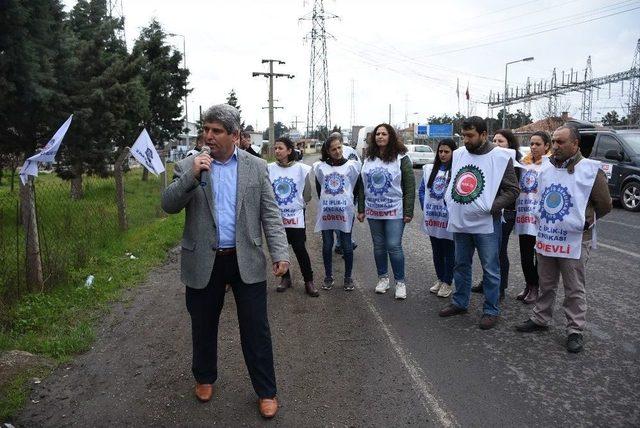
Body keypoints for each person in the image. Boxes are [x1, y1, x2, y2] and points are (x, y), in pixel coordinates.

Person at [161, 104, 290, 419]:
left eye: (216, 131)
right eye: (206, 129)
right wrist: (191, 176)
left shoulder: (256, 167)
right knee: (203, 325)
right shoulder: (189, 165)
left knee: (256, 329)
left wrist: (280, 252)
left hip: (245, 257)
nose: (209, 136)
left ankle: (266, 391)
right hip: (205, 259)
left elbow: (270, 213)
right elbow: (169, 204)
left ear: (234, 135)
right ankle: (205, 377)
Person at [516, 125, 612, 353]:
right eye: (554, 141)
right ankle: (540, 318)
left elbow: (605, 204)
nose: (555, 146)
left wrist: (587, 220)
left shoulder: (590, 171)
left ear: (575, 144)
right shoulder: (546, 168)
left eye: (560, 142)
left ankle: (575, 330)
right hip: (548, 236)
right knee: (546, 281)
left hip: (575, 240)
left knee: (574, 287)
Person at [438, 116, 519, 330]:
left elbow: (513, 190)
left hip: (486, 223)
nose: (465, 140)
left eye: (470, 135)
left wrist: (491, 206)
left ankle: (491, 310)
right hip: (461, 221)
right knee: (461, 263)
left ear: (484, 135)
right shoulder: (458, 155)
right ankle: (459, 302)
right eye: (463, 135)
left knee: (490, 268)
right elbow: (453, 180)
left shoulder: (501, 157)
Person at [357, 123, 415, 300]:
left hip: (394, 211)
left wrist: (409, 211)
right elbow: (362, 185)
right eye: (377, 134)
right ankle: (383, 279)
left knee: (393, 246)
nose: (380, 136)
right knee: (379, 247)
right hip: (374, 211)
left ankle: (400, 282)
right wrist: (361, 209)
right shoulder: (368, 159)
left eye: (384, 134)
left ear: (391, 136)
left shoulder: (401, 158)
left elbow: (410, 186)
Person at [471, 129, 522, 300]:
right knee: (487, 253)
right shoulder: (489, 160)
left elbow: (512, 190)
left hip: (505, 212)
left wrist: (493, 205)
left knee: (499, 250)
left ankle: (499, 286)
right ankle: (487, 282)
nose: (497, 144)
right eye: (495, 141)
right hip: (489, 212)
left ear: (510, 145)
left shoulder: (513, 164)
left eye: (501, 142)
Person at [267, 136, 318, 297]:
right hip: (276, 217)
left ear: (289, 150)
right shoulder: (269, 168)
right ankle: (285, 278)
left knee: (299, 248)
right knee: (279, 249)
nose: (277, 151)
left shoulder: (301, 169)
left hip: (295, 216)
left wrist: (298, 205)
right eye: (275, 148)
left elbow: (307, 193)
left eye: (280, 148)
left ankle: (308, 280)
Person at [313, 134, 362, 291]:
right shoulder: (320, 167)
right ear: (327, 151)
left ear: (343, 147)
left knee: (347, 245)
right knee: (327, 245)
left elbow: (357, 187)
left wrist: (350, 203)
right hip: (327, 212)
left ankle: (348, 278)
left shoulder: (352, 166)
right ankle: (328, 276)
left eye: (339, 147)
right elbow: (320, 189)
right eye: (333, 149)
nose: (337, 151)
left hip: (345, 213)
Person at [513, 131, 552, 303]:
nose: (534, 147)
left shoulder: (551, 165)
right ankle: (529, 285)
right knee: (525, 255)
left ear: (547, 146)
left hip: (541, 218)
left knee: (539, 257)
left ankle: (537, 288)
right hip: (524, 216)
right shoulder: (523, 164)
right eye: (532, 144)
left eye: (538, 144)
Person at [418, 138, 457, 298]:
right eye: (440, 151)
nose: (442, 154)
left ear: (453, 153)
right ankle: (440, 278)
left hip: (448, 220)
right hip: (433, 218)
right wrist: (425, 206)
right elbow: (421, 190)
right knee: (436, 250)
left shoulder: (456, 170)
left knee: (449, 251)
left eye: (446, 152)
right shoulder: (429, 170)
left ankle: (448, 282)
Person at [328, 132, 359, 256]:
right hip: (342, 193)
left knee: (341, 220)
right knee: (340, 220)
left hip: (346, 193)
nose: (337, 150)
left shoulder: (347, 152)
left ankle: (346, 243)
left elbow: (356, 169)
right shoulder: (350, 151)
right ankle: (341, 244)